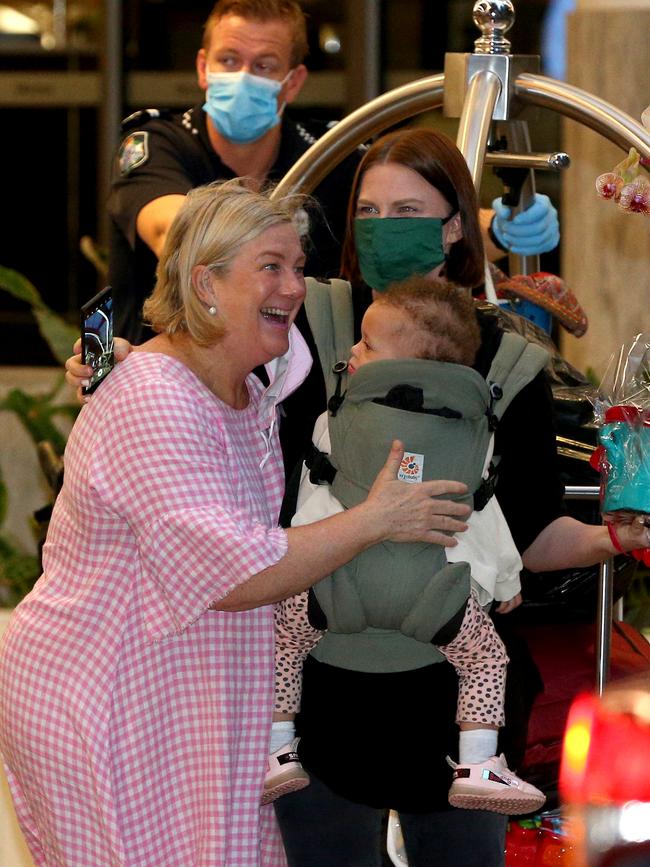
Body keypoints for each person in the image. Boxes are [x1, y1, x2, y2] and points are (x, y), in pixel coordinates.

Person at [65, 128, 639, 866]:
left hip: (447, 704)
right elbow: (206, 355)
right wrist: (122, 361)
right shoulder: (308, 325)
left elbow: (527, 532)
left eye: (406, 210)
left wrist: (616, 538)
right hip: (315, 696)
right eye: (367, 211)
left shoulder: (513, 360)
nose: (381, 228)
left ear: (456, 223)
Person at [0, 179, 468, 867]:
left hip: (192, 703)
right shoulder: (154, 398)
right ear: (206, 283)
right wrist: (377, 519)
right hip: (105, 700)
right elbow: (232, 569)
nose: (293, 286)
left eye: (297, 267)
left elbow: (383, 353)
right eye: (269, 267)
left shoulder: (253, 383)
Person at [108, 0, 559, 349]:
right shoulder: (159, 144)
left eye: (263, 65)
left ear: (294, 81)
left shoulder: (325, 153)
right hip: (174, 377)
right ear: (203, 67)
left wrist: (501, 227)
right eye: (229, 61)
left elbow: (413, 219)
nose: (242, 76)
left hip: (294, 395)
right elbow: (174, 231)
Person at [265, 276, 546, 817]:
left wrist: (300, 557)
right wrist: (506, 581)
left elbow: (314, 499)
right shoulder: (476, 437)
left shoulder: (336, 420)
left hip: (333, 587)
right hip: (435, 598)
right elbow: (482, 519)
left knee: (282, 642)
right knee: (486, 658)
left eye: (367, 345)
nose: (351, 351)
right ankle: (479, 763)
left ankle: (277, 746)